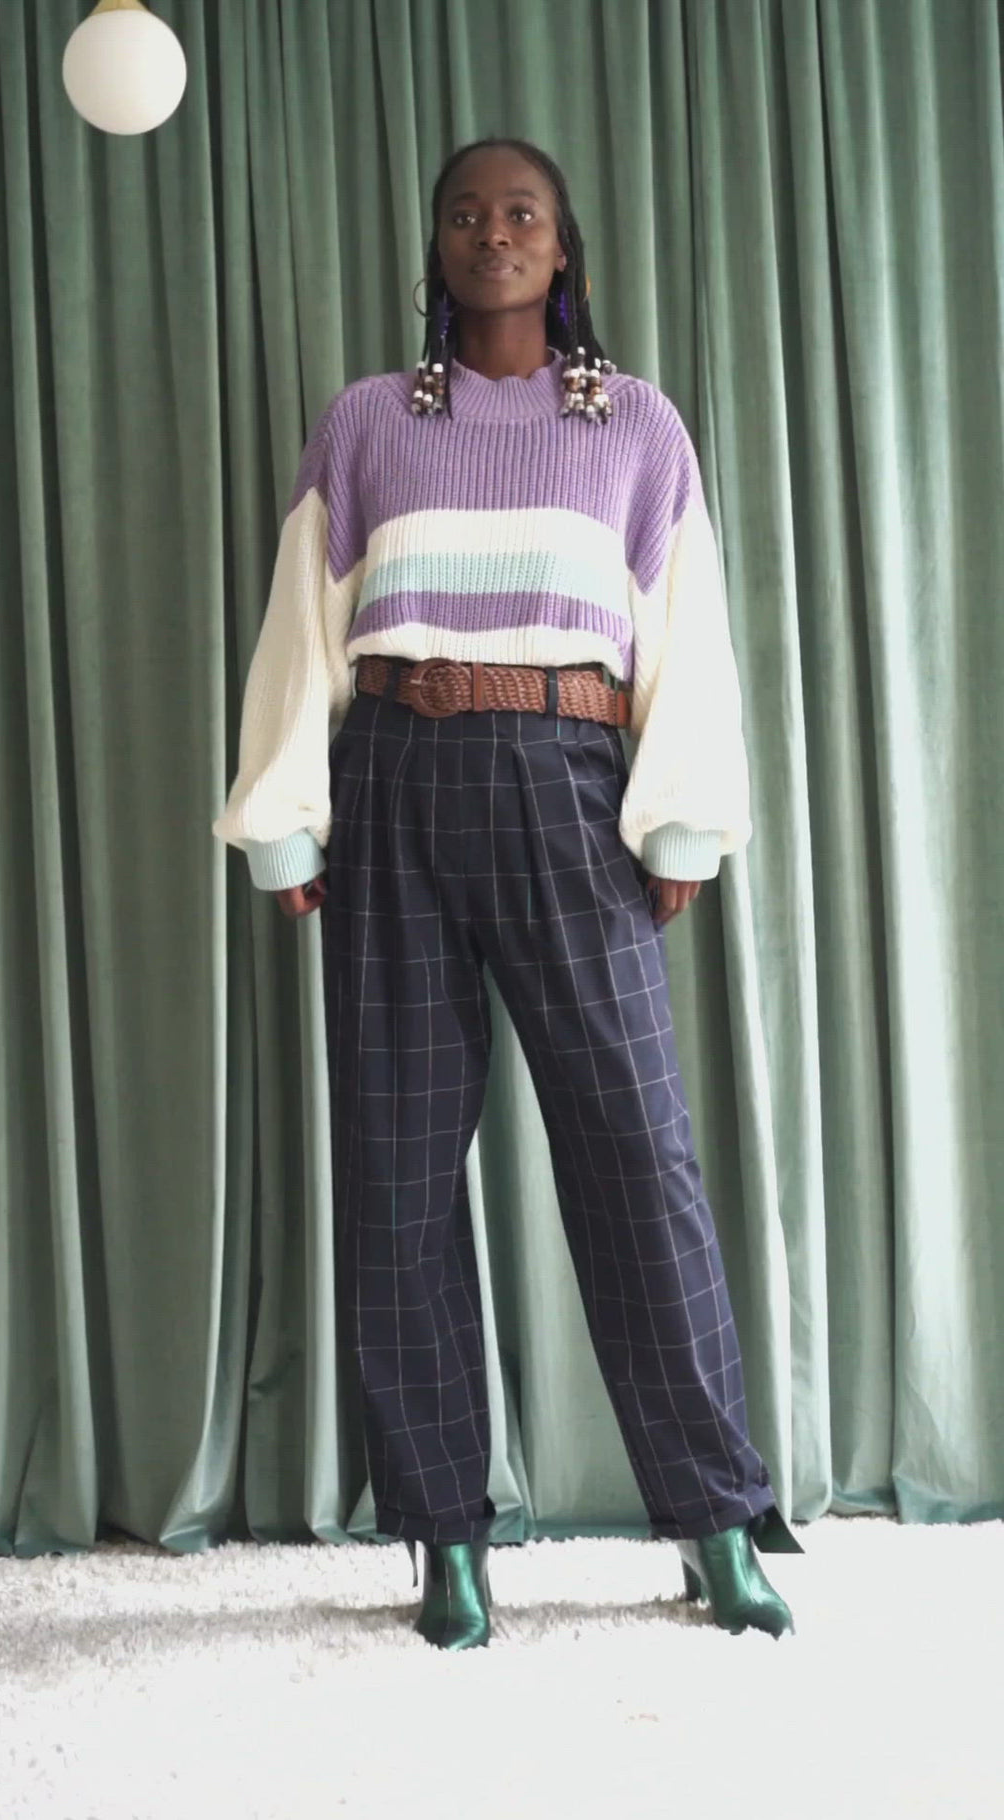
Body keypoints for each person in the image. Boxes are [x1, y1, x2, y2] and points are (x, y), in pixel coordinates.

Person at [213, 135, 804, 1651]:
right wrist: (285, 825)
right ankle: (446, 1539)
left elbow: (687, 630)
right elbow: (300, 626)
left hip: (572, 791)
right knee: (400, 1173)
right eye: (467, 215)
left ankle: (717, 1518)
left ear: (564, 247)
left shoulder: (636, 426)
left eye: (521, 213)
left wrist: (680, 828)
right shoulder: (368, 424)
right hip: (396, 784)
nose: (494, 233)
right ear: (437, 248)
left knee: (638, 1158)